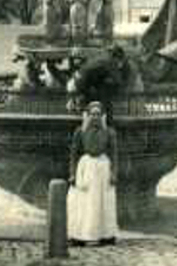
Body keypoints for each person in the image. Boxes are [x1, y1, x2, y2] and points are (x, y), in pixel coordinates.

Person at [68, 101, 118, 246]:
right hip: (86, 167)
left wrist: (114, 173)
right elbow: (73, 154)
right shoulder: (80, 132)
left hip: (103, 168)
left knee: (104, 202)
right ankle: (79, 235)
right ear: (87, 115)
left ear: (102, 116)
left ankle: (106, 234)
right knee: (84, 202)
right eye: (92, 114)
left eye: (98, 114)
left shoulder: (109, 132)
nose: (95, 117)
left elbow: (114, 154)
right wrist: (72, 173)